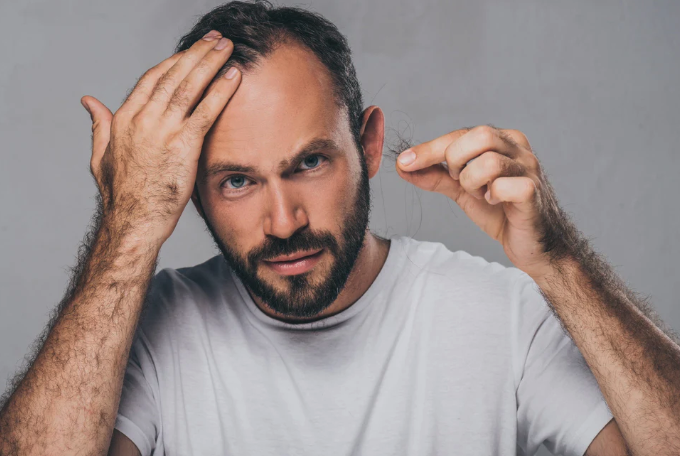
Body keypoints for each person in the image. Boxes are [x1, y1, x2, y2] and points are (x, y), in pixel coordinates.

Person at [1, 1, 679, 455]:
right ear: (191, 193)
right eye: (236, 181)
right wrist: (126, 229)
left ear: (369, 145)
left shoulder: (502, 316)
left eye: (310, 163)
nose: (284, 222)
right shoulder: (150, 330)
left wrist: (560, 263)